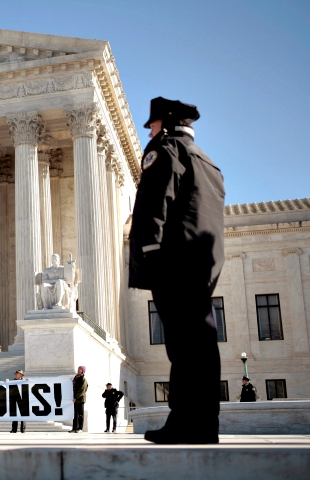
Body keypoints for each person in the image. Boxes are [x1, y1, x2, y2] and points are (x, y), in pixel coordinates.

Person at [129, 97, 225, 445]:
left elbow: (155, 204)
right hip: (202, 266)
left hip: (173, 262)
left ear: (166, 124)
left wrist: (149, 255)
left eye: (152, 125)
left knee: (183, 347)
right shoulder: (209, 162)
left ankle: (183, 422)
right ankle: (203, 424)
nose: (149, 132)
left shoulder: (166, 150)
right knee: (201, 346)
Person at [69, 366, 88, 433]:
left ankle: (80, 428)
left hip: (80, 399)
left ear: (82, 371)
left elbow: (82, 390)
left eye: (80, 369)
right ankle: (74, 427)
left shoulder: (83, 380)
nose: (78, 370)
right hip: (75, 399)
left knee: (80, 414)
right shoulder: (76, 378)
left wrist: (76, 397)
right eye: (78, 369)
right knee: (75, 414)